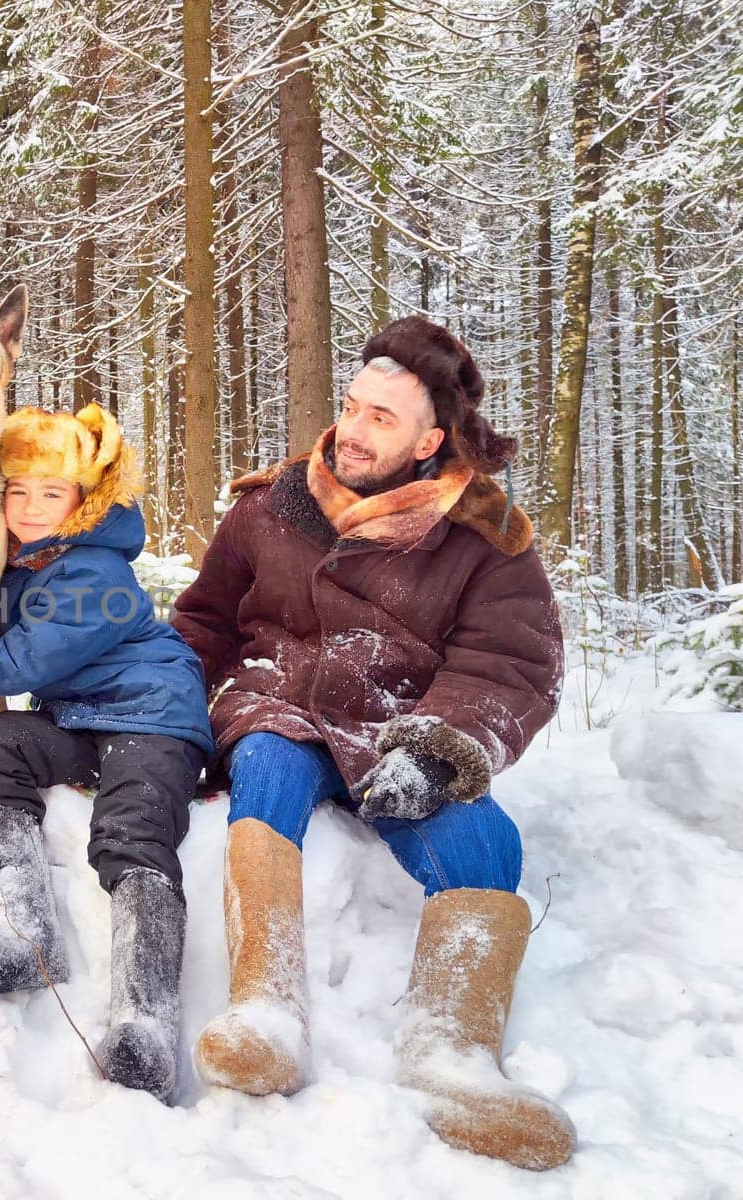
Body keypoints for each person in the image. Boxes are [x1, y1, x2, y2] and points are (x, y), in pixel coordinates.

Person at [171, 316, 574, 1170]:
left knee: (482, 841)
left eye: (381, 420)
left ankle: (452, 1056)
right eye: (352, 407)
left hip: (399, 728)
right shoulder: (272, 504)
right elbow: (200, 624)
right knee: (268, 765)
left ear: (431, 439)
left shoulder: (485, 540)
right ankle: (266, 1008)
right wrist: (156, 718)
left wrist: (439, 748)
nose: (352, 430)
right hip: (280, 705)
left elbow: (512, 663)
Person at [0, 402, 214, 1101]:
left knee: (132, 830)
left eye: (51, 493)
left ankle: (145, 1017)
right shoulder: (24, 560)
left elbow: (10, 666)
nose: (30, 507)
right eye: (16, 491)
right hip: (82, 721)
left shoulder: (92, 571)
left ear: (86, 501)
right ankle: (21, 931)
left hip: (152, 714)